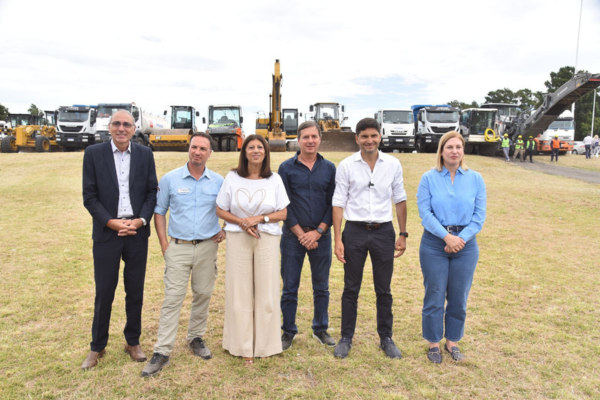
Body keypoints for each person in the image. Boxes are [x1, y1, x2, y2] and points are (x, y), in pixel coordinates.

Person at [141, 133, 226, 377]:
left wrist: (225, 230)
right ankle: (162, 351)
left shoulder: (219, 181)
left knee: (203, 294)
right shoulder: (170, 179)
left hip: (207, 247)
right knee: (173, 298)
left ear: (210, 153)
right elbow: (159, 211)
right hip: (178, 247)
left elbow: (231, 209)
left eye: (203, 149)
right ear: (189, 149)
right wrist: (163, 243)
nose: (197, 152)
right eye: (194, 147)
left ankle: (195, 337)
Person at [81, 110, 158, 369]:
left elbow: (151, 192)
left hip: (136, 232)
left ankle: (132, 342)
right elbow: (89, 196)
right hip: (107, 233)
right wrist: (111, 222)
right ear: (109, 127)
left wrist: (140, 220)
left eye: (127, 124)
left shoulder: (145, 154)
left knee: (135, 290)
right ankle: (97, 346)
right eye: (117, 123)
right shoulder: (93, 154)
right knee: (104, 291)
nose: (121, 128)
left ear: (134, 129)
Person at [331, 117, 408, 359]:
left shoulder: (393, 164)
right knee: (350, 288)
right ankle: (346, 337)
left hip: (383, 232)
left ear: (380, 137)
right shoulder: (346, 165)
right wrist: (337, 239)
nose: (369, 140)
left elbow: (400, 198)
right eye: (364, 136)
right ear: (357, 139)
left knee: (383, 289)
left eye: (373, 135)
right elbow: (338, 202)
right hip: (354, 231)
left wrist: (403, 233)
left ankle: (386, 338)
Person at [216, 134, 290, 365]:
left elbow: (283, 213)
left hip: (266, 238)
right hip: (238, 238)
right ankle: (242, 346)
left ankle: (266, 345)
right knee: (239, 292)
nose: (255, 150)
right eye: (251, 147)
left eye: (260, 147)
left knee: (267, 292)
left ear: (265, 152)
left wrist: (259, 219)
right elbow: (221, 209)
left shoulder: (274, 179)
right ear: (244, 152)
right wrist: (243, 223)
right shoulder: (232, 177)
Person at [416, 131, 486, 363]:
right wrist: (447, 237)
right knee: (434, 294)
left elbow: (479, 216)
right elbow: (425, 213)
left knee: (458, 296)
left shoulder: (475, 179)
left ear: (463, 150)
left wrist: (459, 239)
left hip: (465, 245)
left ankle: (452, 341)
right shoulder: (429, 178)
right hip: (434, 243)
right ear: (441, 151)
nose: (454, 151)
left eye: (458, 147)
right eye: (449, 147)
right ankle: (433, 343)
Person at [278, 121, 337, 350]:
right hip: (293, 237)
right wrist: (302, 234)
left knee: (321, 287)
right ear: (298, 140)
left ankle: (320, 329)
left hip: (321, 237)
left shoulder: (330, 168)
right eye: (306, 137)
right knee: (289, 287)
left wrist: (318, 232)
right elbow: (284, 204)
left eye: (314, 136)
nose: (310, 141)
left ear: (320, 139)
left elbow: (334, 203)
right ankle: (288, 331)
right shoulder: (286, 168)